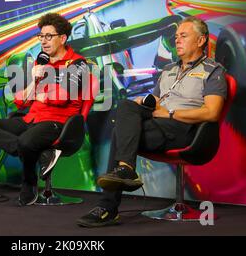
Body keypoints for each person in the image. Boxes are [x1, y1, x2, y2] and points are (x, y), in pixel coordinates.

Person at [77, 16, 227, 227]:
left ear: (201, 40)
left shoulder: (213, 71)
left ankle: (108, 207)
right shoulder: (169, 70)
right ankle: (126, 168)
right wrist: (144, 103)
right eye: (176, 37)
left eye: (183, 36)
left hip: (186, 129)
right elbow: (156, 101)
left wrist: (170, 114)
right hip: (159, 122)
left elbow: (211, 113)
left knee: (120, 133)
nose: (177, 40)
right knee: (127, 107)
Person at [0, 13, 88, 206]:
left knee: (27, 141)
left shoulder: (77, 64)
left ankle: (29, 182)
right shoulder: (40, 63)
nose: (43, 41)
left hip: (59, 123)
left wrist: (41, 95)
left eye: (48, 36)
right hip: (31, 119)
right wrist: (34, 81)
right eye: (41, 36)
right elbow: (21, 102)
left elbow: (62, 98)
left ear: (63, 38)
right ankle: (41, 154)